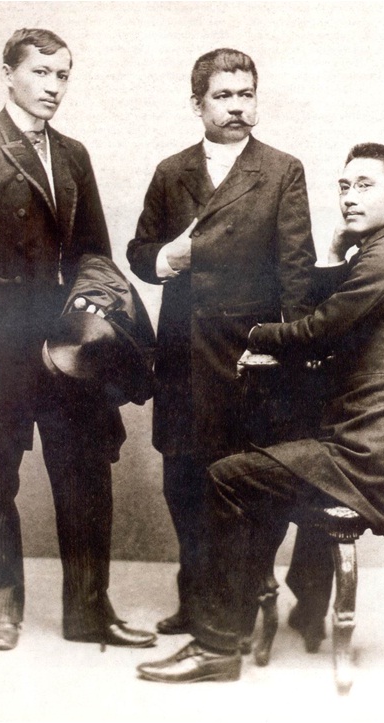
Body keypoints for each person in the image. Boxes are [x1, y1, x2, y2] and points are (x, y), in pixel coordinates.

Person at [136, 142, 384, 683]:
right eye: (344, 186)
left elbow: (318, 329)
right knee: (265, 458)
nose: (350, 198)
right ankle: (263, 614)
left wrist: (254, 334)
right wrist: (334, 251)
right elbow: (338, 307)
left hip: (378, 452)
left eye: (366, 185)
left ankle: (217, 646)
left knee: (227, 477)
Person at [0, 28, 156, 651]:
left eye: (62, 76)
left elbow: (95, 255)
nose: (53, 87)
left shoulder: (73, 154)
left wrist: (98, 325)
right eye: (40, 73)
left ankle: (89, 612)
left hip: (67, 346)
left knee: (86, 475)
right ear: (9, 74)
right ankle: (3, 608)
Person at [126, 48, 317, 636]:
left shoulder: (281, 170)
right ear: (197, 104)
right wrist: (168, 258)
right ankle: (195, 603)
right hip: (182, 355)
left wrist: (288, 357)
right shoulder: (172, 171)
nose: (237, 107)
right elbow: (139, 253)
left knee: (240, 482)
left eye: (246, 94)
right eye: (223, 96)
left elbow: (297, 274)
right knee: (181, 481)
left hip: (247, 358)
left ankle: (231, 610)